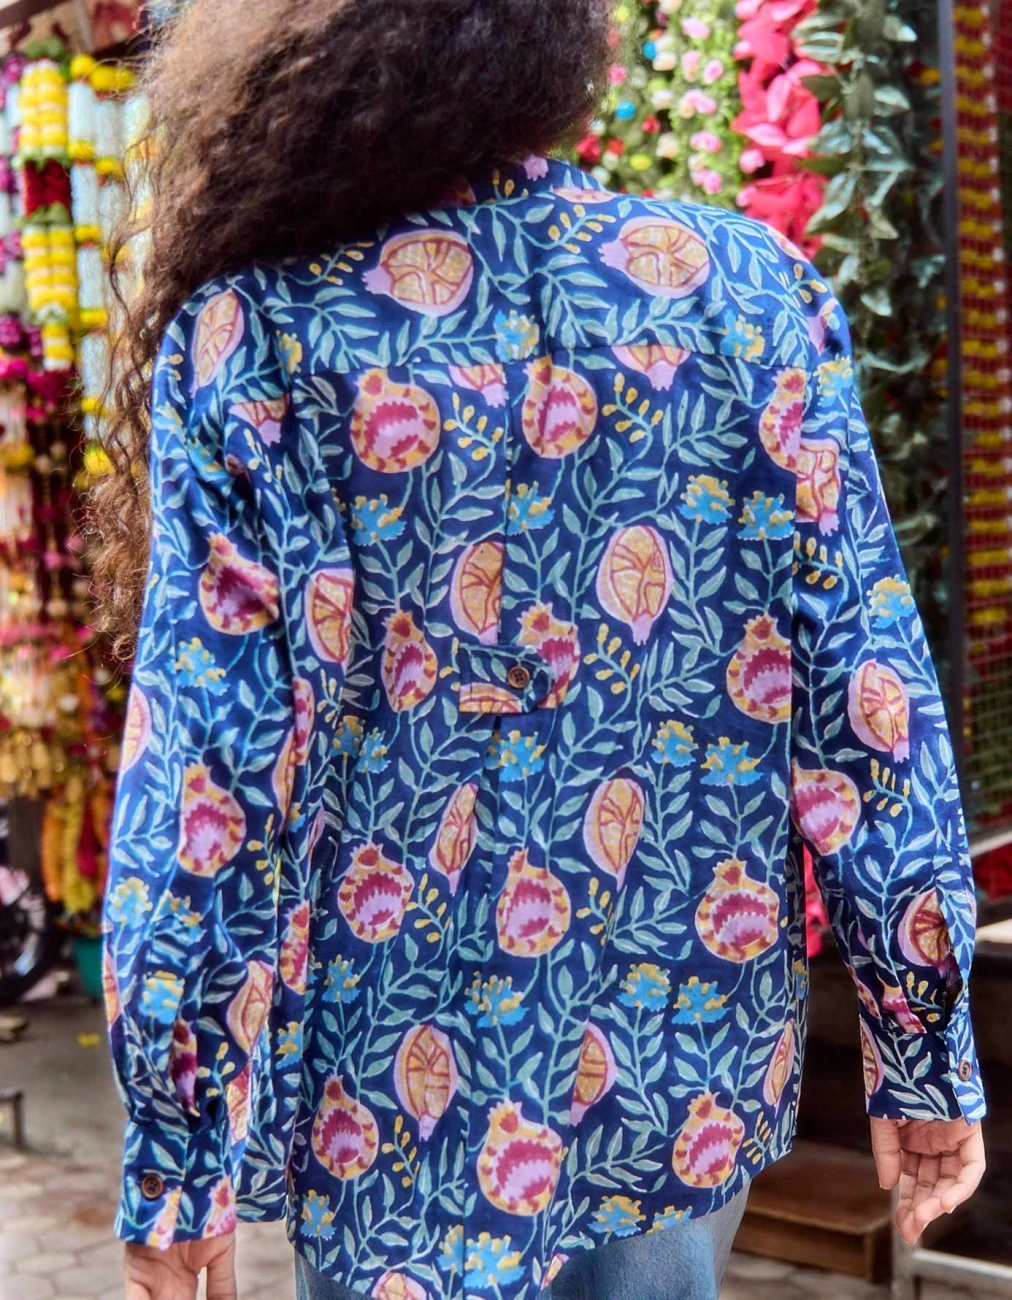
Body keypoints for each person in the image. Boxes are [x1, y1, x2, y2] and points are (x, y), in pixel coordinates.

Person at [91, 2, 987, 1297]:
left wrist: (181, 1159)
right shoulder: (746, 291)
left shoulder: (267, 338)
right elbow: (869, 704)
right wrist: (922, 1046)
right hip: (680, 1057)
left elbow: (211, 785)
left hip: (393, 1096)